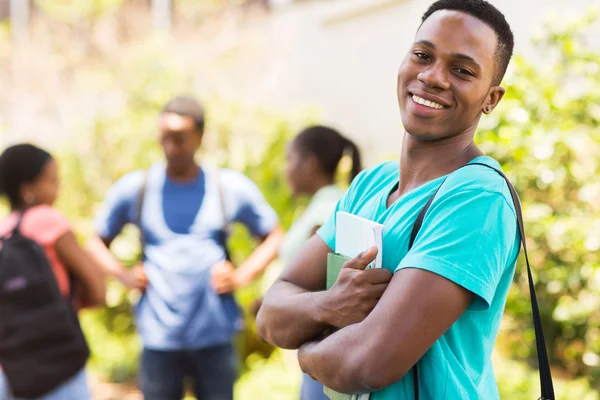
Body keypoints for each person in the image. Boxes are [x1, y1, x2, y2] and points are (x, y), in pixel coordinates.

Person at [257, 0, 518, 398]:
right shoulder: (370, 185)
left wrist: (306, 352)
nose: (433, 77)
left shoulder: (478, 198)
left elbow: (369, 362)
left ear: (491, 98)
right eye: (422, 55)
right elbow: (271, 313)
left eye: (462, 70)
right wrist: (329, 306)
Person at [87, 95, 284, 400]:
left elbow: (273, 235)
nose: (170, 145)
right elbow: (95, 240)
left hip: (214, 333)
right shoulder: (137, 188)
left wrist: (241, 277)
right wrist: (124, 276)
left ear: (199, 137)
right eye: (164, 136)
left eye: (179, 138)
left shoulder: (226, 187)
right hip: (159, 337)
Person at [0, 144, 106, 400]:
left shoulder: (3, 233)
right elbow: (98, 290)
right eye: (52, 181)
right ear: (27, 190)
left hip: (13, 369)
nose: (58, 189)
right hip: (59, 365)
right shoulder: (48, 220)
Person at [281, 125, 362, 400]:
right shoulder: (321, 205)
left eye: (289, 160)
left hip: (323, 341)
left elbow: (324, 284)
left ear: (310, 163)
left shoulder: (326, 211)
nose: (286, 169)